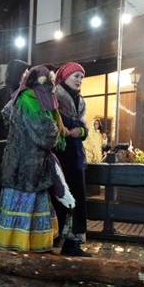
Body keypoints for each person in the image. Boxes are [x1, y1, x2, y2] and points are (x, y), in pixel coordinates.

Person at [0, 64, 72, 253]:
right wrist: (56, 128)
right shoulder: (34, 102)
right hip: (30, 168)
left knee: (14, 205)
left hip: (15, 164)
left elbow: (5, 115)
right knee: (28, 206)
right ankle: (25, 244)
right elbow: (47, 136)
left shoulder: (19, 97)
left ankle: (9, 242)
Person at [52, 62, 92, 257]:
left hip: (75, 156)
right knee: (59, 198)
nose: (79, 80)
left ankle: (73, 243)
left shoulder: (81, 101)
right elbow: (49, 121)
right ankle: (54, 240)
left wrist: (80, 131)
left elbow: (85, 128)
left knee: (77, 198)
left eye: (81, 77)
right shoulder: (54, 97)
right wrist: (61, 131)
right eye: (75, 76)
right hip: (59, 156)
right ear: (65, 77)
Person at [0, 59, 29, 212]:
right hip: (2, 148)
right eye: (24, 72)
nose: (26, 75)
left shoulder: (19, 93)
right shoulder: (5, 91)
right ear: (17, 73)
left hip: (11, 147)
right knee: (3, 186)